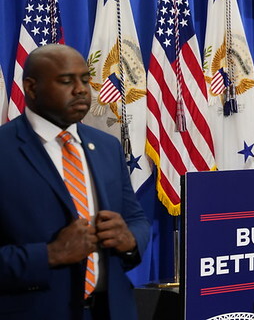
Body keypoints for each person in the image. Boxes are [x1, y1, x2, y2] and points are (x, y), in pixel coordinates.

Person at [0, 44, 149, 320]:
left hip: (112, 310)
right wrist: (49, 254)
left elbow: (136, 219)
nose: (81, 89)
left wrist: (129, 240)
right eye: (66, 81)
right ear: (31, 88)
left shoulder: (106, 145)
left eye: (85, 79)